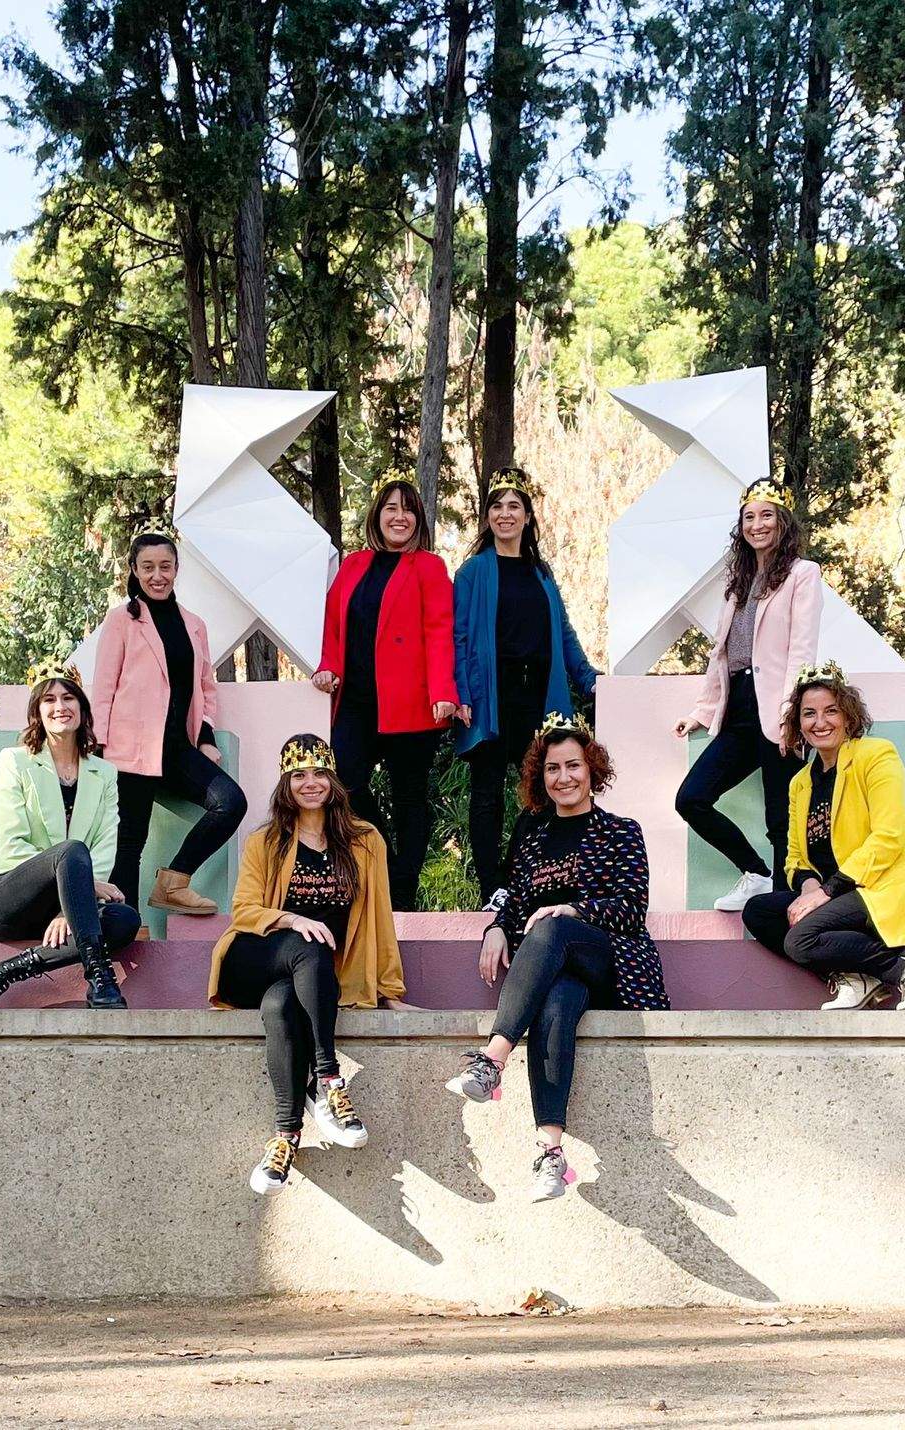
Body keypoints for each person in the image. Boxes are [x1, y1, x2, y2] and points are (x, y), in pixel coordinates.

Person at [442, 714, 669, 1202]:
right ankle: (551, 1152)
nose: (563, 777)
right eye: (552, 768)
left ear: (592, 769)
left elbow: (632, 907)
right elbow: (517, 904)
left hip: (615, 962)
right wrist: (497, 927)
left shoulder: (621, 831)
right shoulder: (534, 839)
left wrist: (573, 909)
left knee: (554, 926)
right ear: (539, 776)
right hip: (562, 973)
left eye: (573, 766)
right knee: (558, 1002)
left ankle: (492, 1059)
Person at [208, 734, 408, 1195]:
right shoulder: (266, 841)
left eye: (319, 773)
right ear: (286, 784)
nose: (310, 783)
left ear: (333, 780)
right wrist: (293, 918)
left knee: (281, 1008)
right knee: (309, 942)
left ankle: (285, 1135)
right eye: (299, 775)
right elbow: (244, 910)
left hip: (308, 980)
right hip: (253, 958)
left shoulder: (365, 841)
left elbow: (378, 916)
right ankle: (329, 1079)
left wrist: (389, 991)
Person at [741, 662, 905, 1011]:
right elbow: (795, 856)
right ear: (798, 723)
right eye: (809, 713)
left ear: (849, 716)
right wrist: (809, 886)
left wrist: (826, 892)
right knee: (759, 911)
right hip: (832, 894)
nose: (820, 722)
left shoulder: (876, 756)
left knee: (800, 940)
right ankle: (855, 978)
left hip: (878, 885)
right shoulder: (801, 783)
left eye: (831, 711)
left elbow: (889, 836)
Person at [673, 478, 823, 911]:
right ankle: (755, 872)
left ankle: (782, 905)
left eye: (767, 515)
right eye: (749, 517)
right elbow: (723, 653)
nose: (757, 524)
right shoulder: (738, 580)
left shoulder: (802, 574)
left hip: (779, 706)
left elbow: (801, 649)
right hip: (738, 705)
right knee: (692, 798)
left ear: (783, 522)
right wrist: (702, 712)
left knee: (781, 819)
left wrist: (792, 714)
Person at [313, 476, 459, 910]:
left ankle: (404, 895)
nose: (400, 516)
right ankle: (392, 869)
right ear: (377, 516)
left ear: (418, 520)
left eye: (408, 509)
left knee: (409, 797)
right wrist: (328, 667)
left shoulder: (429, 567)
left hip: (412, 703)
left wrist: (444, 690)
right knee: (344, 783)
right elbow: (334, 624)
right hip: (356, 699)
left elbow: (440, 632)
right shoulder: (354, 565)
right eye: (391, 508)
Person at [452, 469, 599, 902]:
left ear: (529, 515)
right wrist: (460, 694)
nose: (505, 514)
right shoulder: (473, 572)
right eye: (496, 506)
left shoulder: (542, 574)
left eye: (514, 505)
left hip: (540, 698)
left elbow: (564, 634)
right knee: (488, 795)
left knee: (542, 793)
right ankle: (491, 888)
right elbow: (458, 637)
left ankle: (525, 881)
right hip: (491, 699)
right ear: (486, 517)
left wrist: (591, 682)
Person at [89, 525, 248, 916]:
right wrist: (99, 746)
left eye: (165, 566)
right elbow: (104, 687)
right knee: (130, 840)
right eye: (147, 567)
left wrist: (206, 737)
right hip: (130, 750)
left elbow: (206, 687)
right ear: (134, 570)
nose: (157, 575)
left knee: (230, 803)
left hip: (178, 748)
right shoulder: (121, 621)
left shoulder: (194, 624)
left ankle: (174, 882)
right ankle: (125, 925)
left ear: (176, 569)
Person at [0, 665, 140, 1009]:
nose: (60, 706)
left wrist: (70, 908)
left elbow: (104, 846)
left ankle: (4, 974)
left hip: (62, 902)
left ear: (82, 709)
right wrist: (72, 889)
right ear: (37, 712)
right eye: (49, 699)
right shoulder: (14, 762)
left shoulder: (103, 774)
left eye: (68, 697)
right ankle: (101, 979)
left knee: (126, 921)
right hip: (3, 895)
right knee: (71, 851)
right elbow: (11, 839)